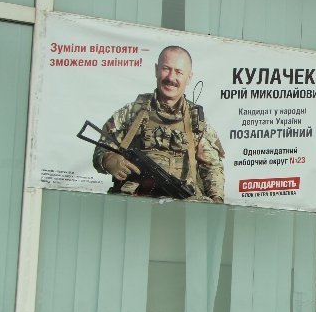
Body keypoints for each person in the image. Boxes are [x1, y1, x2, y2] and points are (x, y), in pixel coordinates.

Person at [92, 45, 225, 202]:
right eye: (166, 69)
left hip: (182, 205)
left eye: (179, 72)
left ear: (189, 78)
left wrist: (216, 203)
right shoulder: (131, 113)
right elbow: (102, 148)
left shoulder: (197, 122)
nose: (171, 78)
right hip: (133, 204)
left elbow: (212, 168)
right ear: (156, 70)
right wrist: (108, 160)